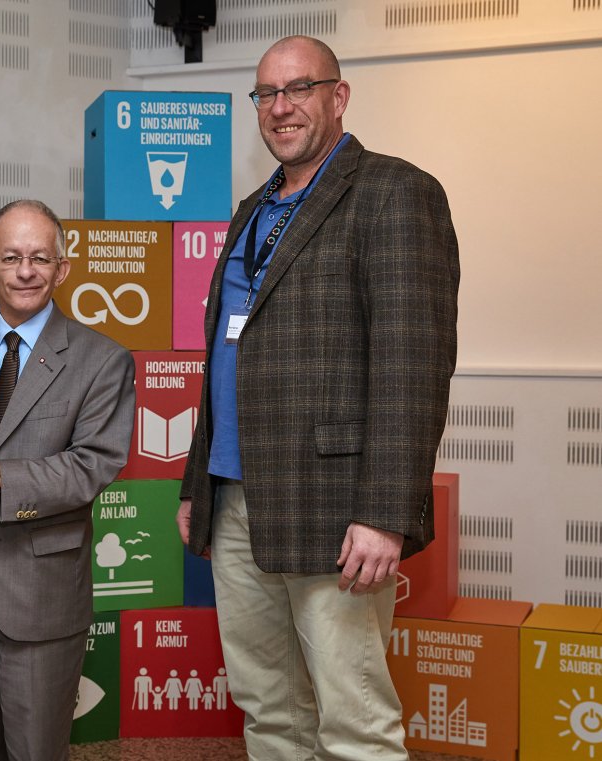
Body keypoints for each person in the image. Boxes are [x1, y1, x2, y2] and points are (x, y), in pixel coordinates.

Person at [177, 36, 459, 760]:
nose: (281, 107)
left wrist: (384, 514)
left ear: (338, 97)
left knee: (354, 715)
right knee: (267, 706)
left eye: (299, 88)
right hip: (236, 498)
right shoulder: (253, 209)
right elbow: (222, 359)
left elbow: (413, 363)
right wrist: (196, 483)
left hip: (336, 507)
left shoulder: (395, 191)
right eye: (267, 94)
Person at [0, 199, 135, 761]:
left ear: (62, 269)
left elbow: (94, 464)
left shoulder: (102, 359)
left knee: (36, 749)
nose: (26, 270)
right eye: (11, 257)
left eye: (41, 257)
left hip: (41, 585)